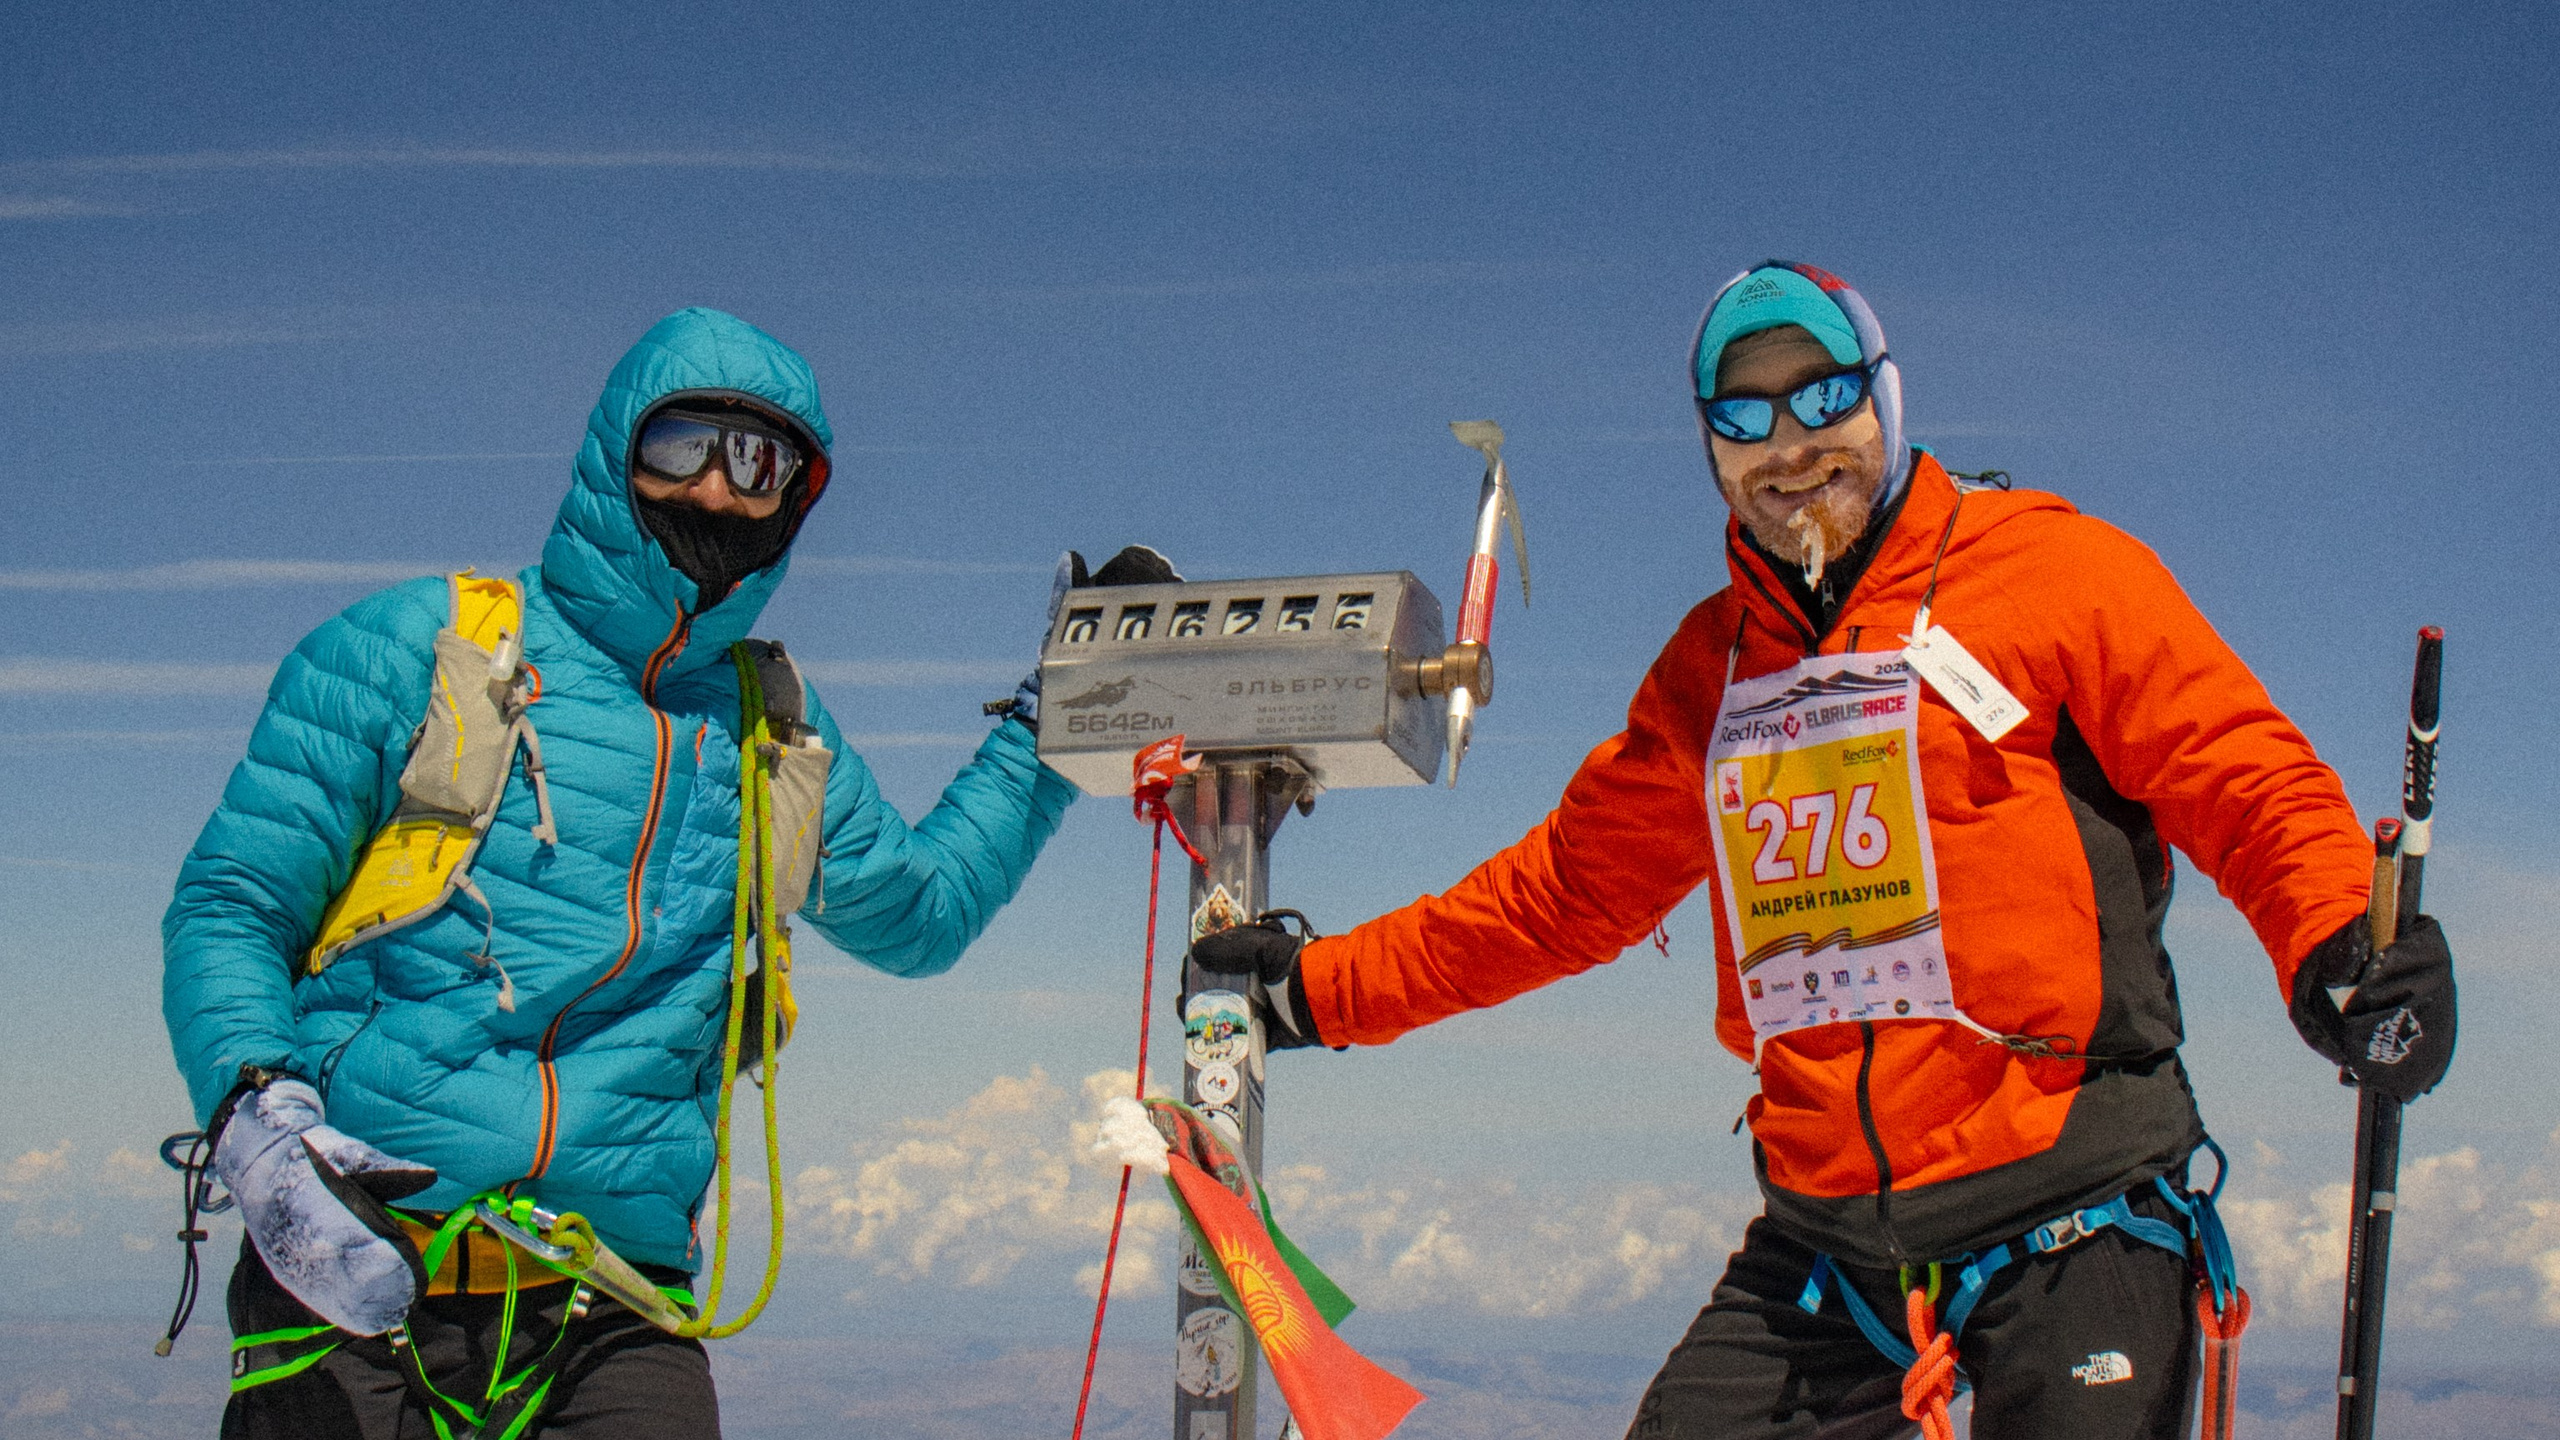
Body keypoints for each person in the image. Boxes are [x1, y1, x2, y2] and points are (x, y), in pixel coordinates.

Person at [1195, 261, 2458, 1439]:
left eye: (1824, 395)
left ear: (1885, 398)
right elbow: (1563, 895)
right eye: (1743, 418)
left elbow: (2235, 771)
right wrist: (1321, 991)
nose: (1790, 446)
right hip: (1828, 1240)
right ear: (1708, 450)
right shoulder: (1714, 668)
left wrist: (2345, 936)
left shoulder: (2051, 574)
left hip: (2074, 1208)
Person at [162, 306, 1169, 1438]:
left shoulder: (765, 722)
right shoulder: (416, 651)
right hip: (352, 1272)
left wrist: (1055, 722)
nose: (718, 491)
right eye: (683, 443)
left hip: (610, 1304)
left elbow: (919, 917)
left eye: (764, 464)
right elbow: (232, 905)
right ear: (614, 452)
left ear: (799, 497)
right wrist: (258, 1111)